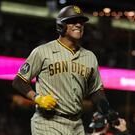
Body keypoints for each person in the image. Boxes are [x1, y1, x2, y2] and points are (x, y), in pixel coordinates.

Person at [12, 5, 115, 135]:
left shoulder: (90, 57)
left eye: (81, 22)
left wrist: (107, 111)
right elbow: (18, 81)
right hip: (48, 122)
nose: (79, 24)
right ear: (61, 25)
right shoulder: (42, 51)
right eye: (73, 21)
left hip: (76, 124)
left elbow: (96, 91)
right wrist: (37, 98)